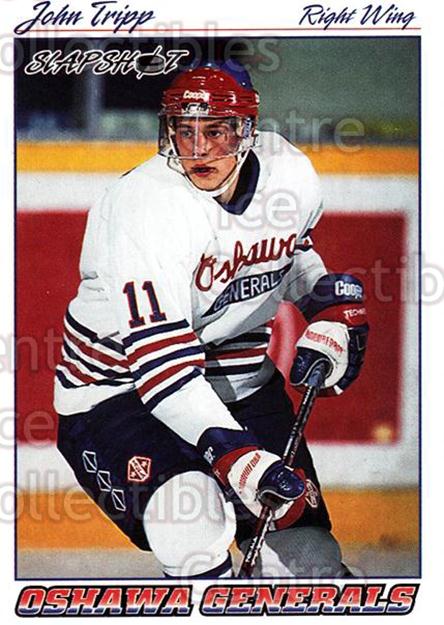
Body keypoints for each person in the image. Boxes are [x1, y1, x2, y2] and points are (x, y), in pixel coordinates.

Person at [55, 60, 369, 579]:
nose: (198, 149)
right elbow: (162, 368)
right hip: (120, 393)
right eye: (185, 130)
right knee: (190, 526)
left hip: (240, 382)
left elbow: (289, 252)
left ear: (247, 132)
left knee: (307, 562)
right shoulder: (145, 206)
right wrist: (237, 457)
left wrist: (323, 302)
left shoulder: (289, 172)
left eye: (216, 131)